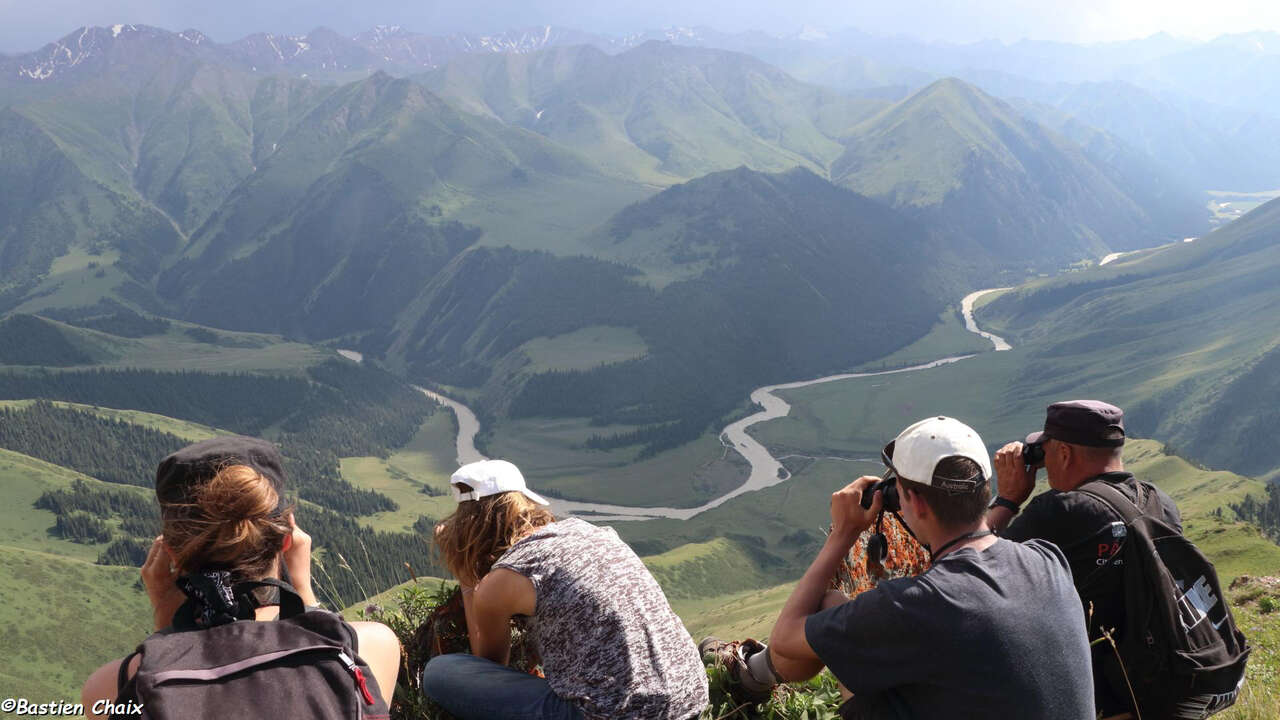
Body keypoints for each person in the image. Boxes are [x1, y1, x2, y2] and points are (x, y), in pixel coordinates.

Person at [708, 416, 1094, 719]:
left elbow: (786, 637)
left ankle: (750, 679)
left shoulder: (917, 606)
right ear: (983, 490)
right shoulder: (1047, 559)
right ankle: (752, 678)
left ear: (915, 502)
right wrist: (1007, 502)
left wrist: (842, 534)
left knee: (830, 607)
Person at [80, 436, 400, 719]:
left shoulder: (109, 688)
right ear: (287, 539)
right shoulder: (373, 645)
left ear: (172, 553)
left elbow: (174, 683)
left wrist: (166, 620)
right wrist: (304, 591)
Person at [421, 459, 708, 720]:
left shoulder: (500, 583)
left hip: (610, 714)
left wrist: (467, 576)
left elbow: (490, 666)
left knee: (439, 673)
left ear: (467, 527)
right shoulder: (592, 532)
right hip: (690, 698)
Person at [986, 400, 1183, 718]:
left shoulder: (1059, 511)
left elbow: (974, 562)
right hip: (1162, 691)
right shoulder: (1160, 502)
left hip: (1098, 700)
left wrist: (1008, 499)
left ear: (1063, 453)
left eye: (1045, 451)